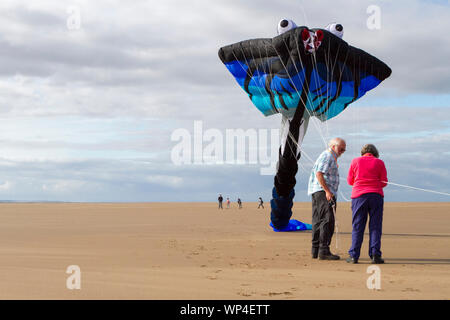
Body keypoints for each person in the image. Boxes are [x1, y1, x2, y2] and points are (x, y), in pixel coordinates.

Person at [346, 144, 388, 264]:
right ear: (375, 153)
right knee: (375, 226)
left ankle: (354, 255)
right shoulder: (379, 162)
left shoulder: (355, 161)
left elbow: (350, 181)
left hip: (359, 196)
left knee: (358, 226)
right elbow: (384, 182)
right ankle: (375, 254)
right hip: (376, 196)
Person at [307, 138, 346, 260]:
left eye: (344, 150)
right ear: (334, 146)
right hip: (322, 192)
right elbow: (319, 173)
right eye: (341, 149)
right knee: (327, 220)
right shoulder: (328, 156)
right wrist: (327, 191)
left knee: (318, 219)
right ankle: (323, 250)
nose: (342, 152)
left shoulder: (329, 156)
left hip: (317, 191)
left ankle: (316, 250)